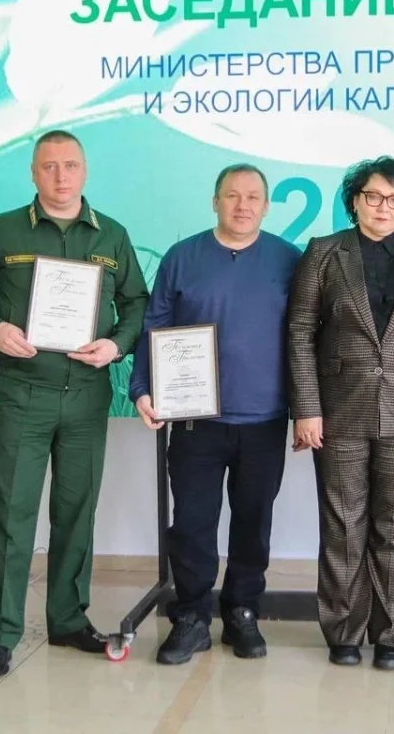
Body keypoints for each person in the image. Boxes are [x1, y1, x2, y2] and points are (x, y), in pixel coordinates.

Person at [0, 130, 149, 679]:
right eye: (49, 166)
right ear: (33, 173)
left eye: (70, 165)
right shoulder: (3, 229)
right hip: (22, 395)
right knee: (10, 515)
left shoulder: (112, 235)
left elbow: (137, 302)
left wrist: (117, 345)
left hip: (87, 397)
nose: (60, 176)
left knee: (76, 512)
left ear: (85, 171)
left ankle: (68, 619)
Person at [287, 156, 394, 671]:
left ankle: (392, 636)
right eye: (372, 197)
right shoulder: (324, 252)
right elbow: (300, 331)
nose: (383, 207)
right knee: (343, 523)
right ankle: (343, 631)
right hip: (338, 409)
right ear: (354, 201)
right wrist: (307, 409)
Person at [129, 164, 301, 665]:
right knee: (192, 524)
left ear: (266, 206)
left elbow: (309, 334)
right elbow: (155, 326)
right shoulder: (182, 258)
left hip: (264, 420)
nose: (242, 205)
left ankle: (243, 612)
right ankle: (191, 617)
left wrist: (311, 409)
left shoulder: (290, 260)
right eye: (232, 195)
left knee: (253, 521)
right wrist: (143, 388)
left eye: (253, 197)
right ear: (215, 201)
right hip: (194, 422)